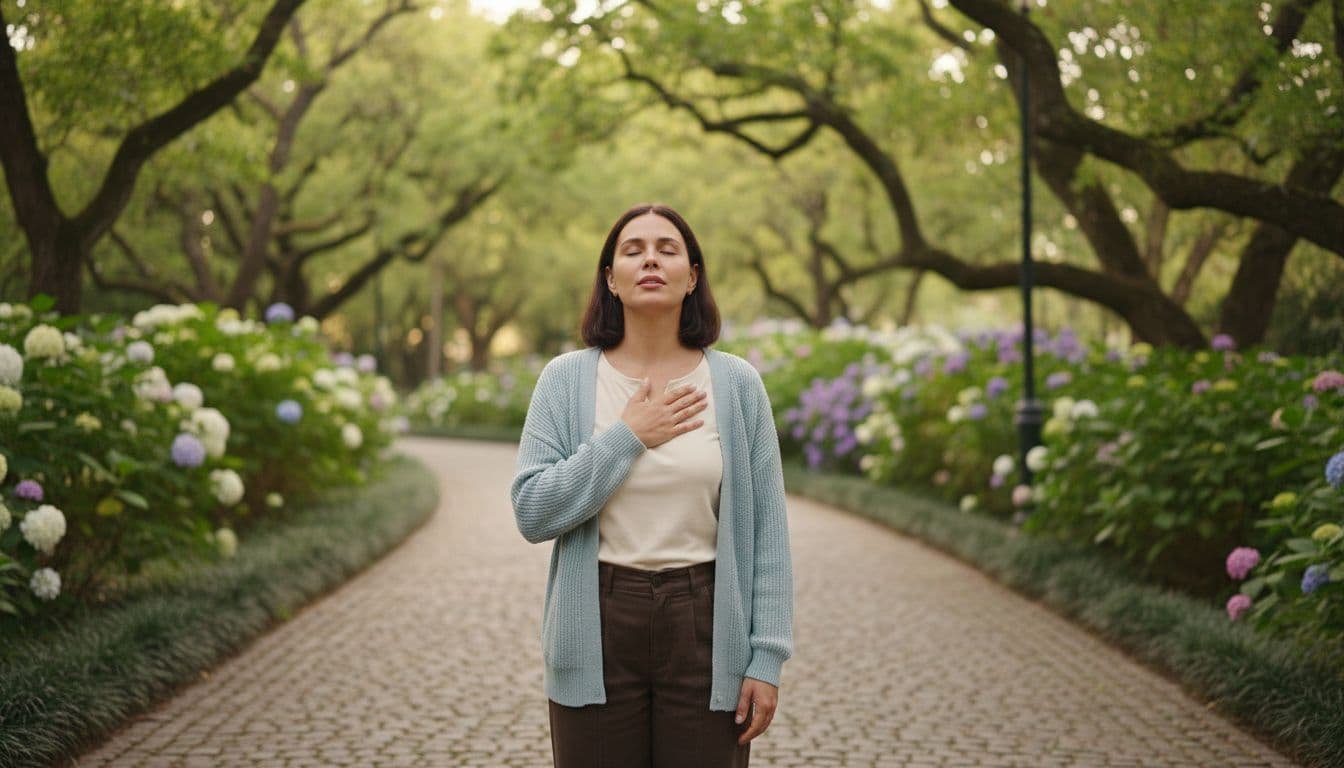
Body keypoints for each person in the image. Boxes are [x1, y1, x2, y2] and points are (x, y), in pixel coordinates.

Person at [510, 203, 794, 768]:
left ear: (692, 277)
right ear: (610, 279)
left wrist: (766, 659)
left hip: (707, 623)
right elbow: (533, 510)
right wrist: (627, 437)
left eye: (667, 250)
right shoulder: (565, 381)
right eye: (633, 250)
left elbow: (768, 533)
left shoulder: (736, 384)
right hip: (598, 616)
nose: (650, 261)